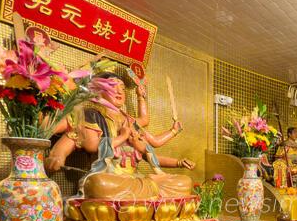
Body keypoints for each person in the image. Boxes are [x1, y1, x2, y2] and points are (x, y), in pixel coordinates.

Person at [47, 71, 195, 199]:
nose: (119, 92)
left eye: (123, 89)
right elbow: (89, 144)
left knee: (183, 182)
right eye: (112, 87)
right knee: (99, 185)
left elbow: (151, 148)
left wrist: (178, 162)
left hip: (135, 180)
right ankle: (145, 198)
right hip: (109, 180)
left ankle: (145, 196)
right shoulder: (91, 115)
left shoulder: (130, 121)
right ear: (99, 90)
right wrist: (58, 154)